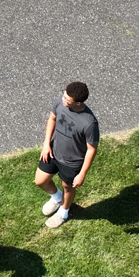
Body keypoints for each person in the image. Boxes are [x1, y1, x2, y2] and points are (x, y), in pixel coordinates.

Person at [36, 80, 99, 228]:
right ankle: (57, 198)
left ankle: (63, 212)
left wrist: (82, 174)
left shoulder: (89, 123)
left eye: (67, 99)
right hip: (53, 151)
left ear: (78, 103)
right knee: (40, 181)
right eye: (64, 95)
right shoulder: (60, 102)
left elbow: (91, 149)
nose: (63, 99)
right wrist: (46, 144)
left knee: (68, 187)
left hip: (72, 162)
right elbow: (52, 118)